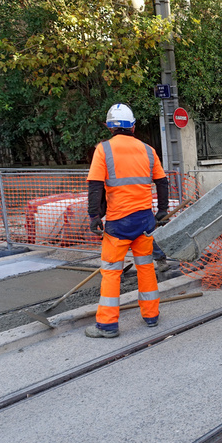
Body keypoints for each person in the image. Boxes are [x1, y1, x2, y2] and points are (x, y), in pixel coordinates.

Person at [85, 103, 169, 338]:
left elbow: (94, 186)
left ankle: (107, 325)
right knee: (146, 268)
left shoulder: (103, 150)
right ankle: (151, 316)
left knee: (112, 272)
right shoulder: (148, 150)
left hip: (118, 222)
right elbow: (162, 182)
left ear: (109, 127)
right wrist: (162, 210)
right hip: (144, 221)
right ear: (133, 126)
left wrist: (94, 216)